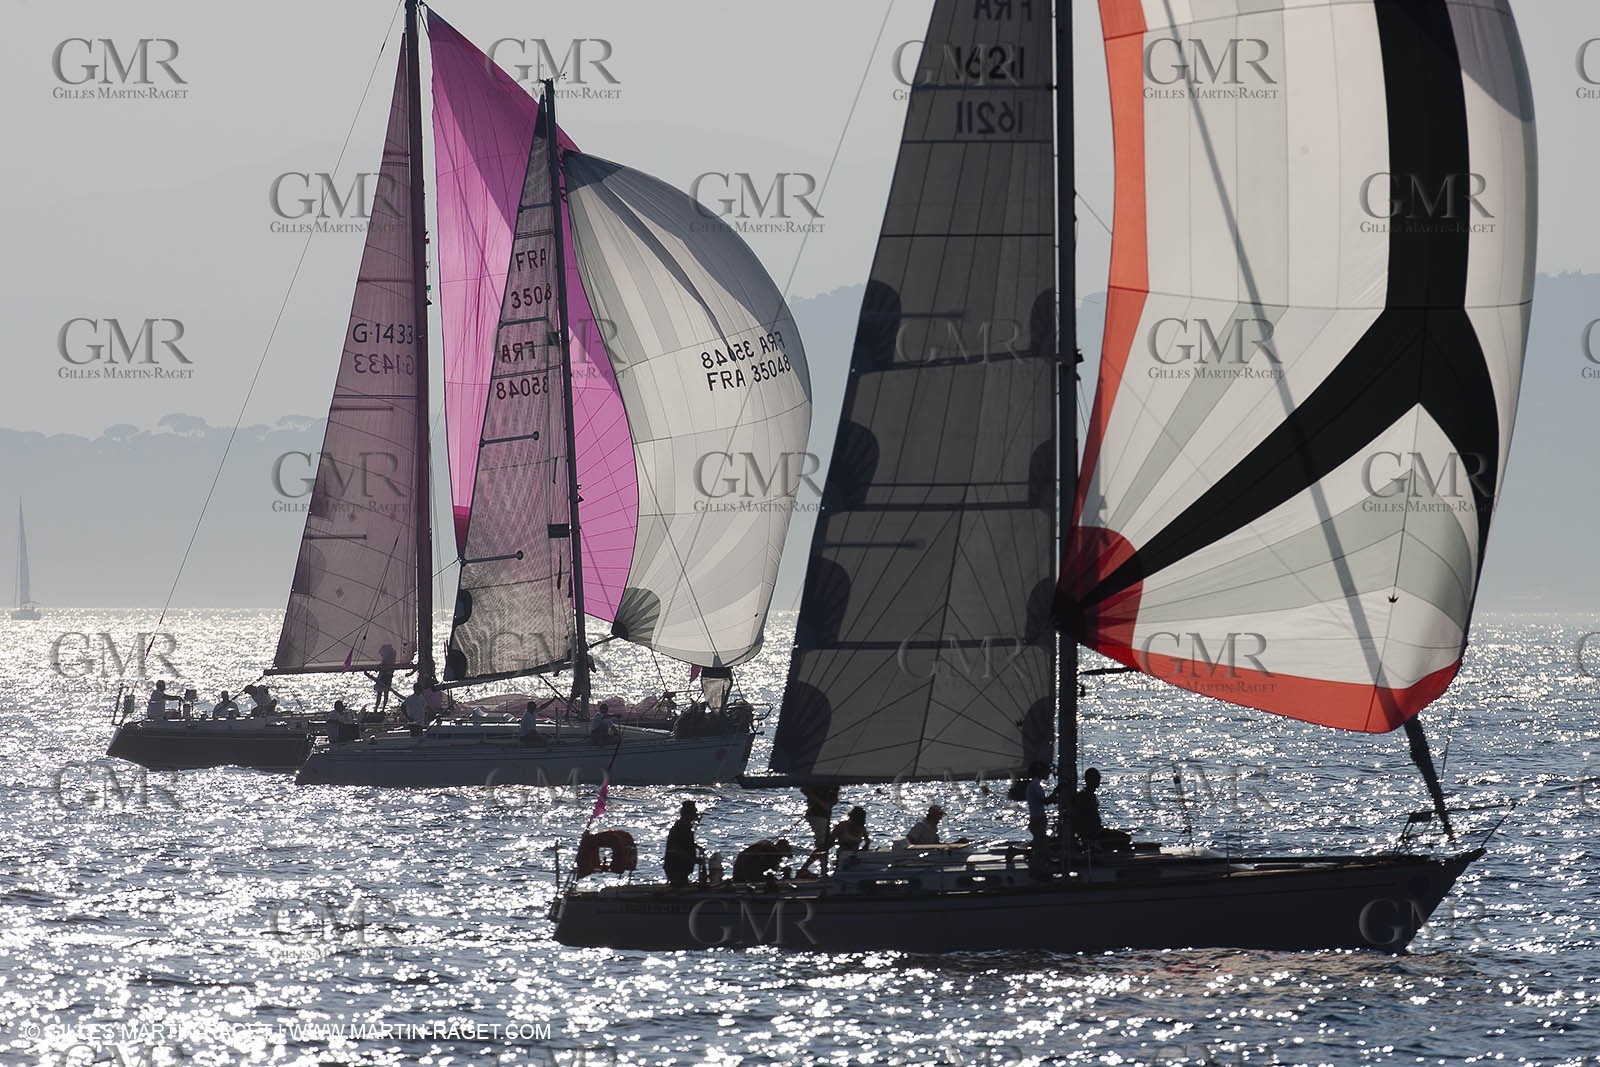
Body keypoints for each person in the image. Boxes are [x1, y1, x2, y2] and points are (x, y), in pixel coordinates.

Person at [1071, 767, 1132, 852]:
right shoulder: (1084, 797)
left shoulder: (1089, 795)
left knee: (1124, 837)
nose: (1098, 783)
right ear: (1088, 780)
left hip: (1097, 831)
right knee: (1125, 838)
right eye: (1096, 780)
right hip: (1093, 834)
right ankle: (1099, 847)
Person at [1025, 761, 1059, 879]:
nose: (1048, 773)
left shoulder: (1034, 785)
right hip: (1037, 820)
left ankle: (1038, 870)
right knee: (1041, 849)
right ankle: (1036, 872)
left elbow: (1044, 801)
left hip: (1037, 819)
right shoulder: (1035, 786)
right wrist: (1057, 791)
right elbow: (1044, 801)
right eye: (1046, 771)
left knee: (1039, 847)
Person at [797, 784, 840, 875]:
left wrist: (832, 802)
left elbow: (834, 797)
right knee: (823, 844)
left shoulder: (834, 784)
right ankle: (807, 869)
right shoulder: (818, 782)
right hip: (816, 814)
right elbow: (805, 789)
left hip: (825, 815)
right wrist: (821, 803)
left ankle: (823, 870)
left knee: (826, 843)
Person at [663, 800, 700, 887]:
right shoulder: (682, 827)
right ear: (688, 813)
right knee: (679, 887)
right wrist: (692, 859)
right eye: (694, 812)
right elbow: (676, 848)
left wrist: (697, 847)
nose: (696, 814)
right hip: (676, 866)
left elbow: (685, 843)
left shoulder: (685, 825)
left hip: (680, 865)